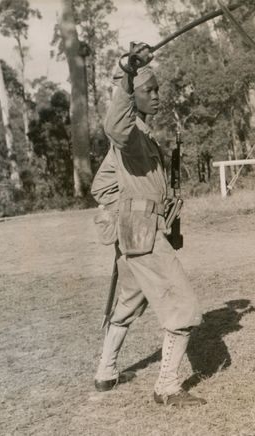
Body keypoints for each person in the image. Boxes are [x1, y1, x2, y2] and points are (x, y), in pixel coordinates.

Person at [90, 42, 205, 407]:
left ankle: (106, 372)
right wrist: (126, 77)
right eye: (147, 91)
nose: (156, 96)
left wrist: (131, 208)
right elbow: (114, 125)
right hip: (143, 234)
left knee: (127, 301)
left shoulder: (143, 136)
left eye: (157, 90)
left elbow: (101, 186)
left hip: (135, 233)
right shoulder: (128, 136)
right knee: (183, 306)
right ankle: (168, 386)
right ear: (130, 95)